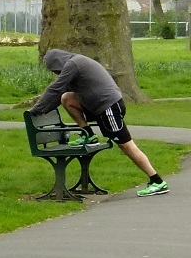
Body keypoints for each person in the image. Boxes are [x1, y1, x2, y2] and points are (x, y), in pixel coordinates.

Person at [29, 49, 168, 197]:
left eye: (56, 70)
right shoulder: (77, 62)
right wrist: (42, 110)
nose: (57, 73)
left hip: (109, 108)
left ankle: (157, 181)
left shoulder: (73, 64)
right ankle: (89, 134)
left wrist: (34, 110)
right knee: (67, 98)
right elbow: (59, 94)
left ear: (59, 63)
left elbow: (55, 88)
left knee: (126, 145)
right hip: (99, 106)